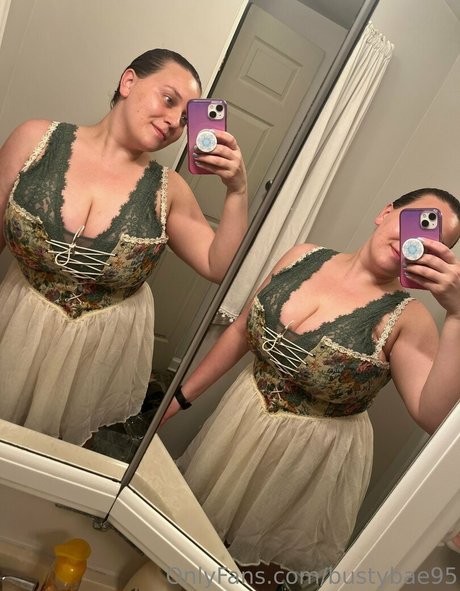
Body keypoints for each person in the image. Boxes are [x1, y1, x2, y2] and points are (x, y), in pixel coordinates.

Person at [161, 188, 460, 589]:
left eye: (436, 242)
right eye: (420, 223)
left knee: (250, 575)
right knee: (188, 540)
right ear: (387, 211)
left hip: (307, 463)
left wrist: (458, 315)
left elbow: (433, 416)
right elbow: (242, 329)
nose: (417, 242)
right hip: (239, 422)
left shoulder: (410, 319)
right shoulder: (301, 257)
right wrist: (180, 397)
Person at [0, 49, 248, 445]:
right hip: (16, 326)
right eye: (168, 100)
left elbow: (219, 266)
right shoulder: (36, 140)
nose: (175, 122)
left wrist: (236, 191)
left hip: (95, 359)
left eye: (186, 118)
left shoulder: (169, 190)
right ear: (128, 82)